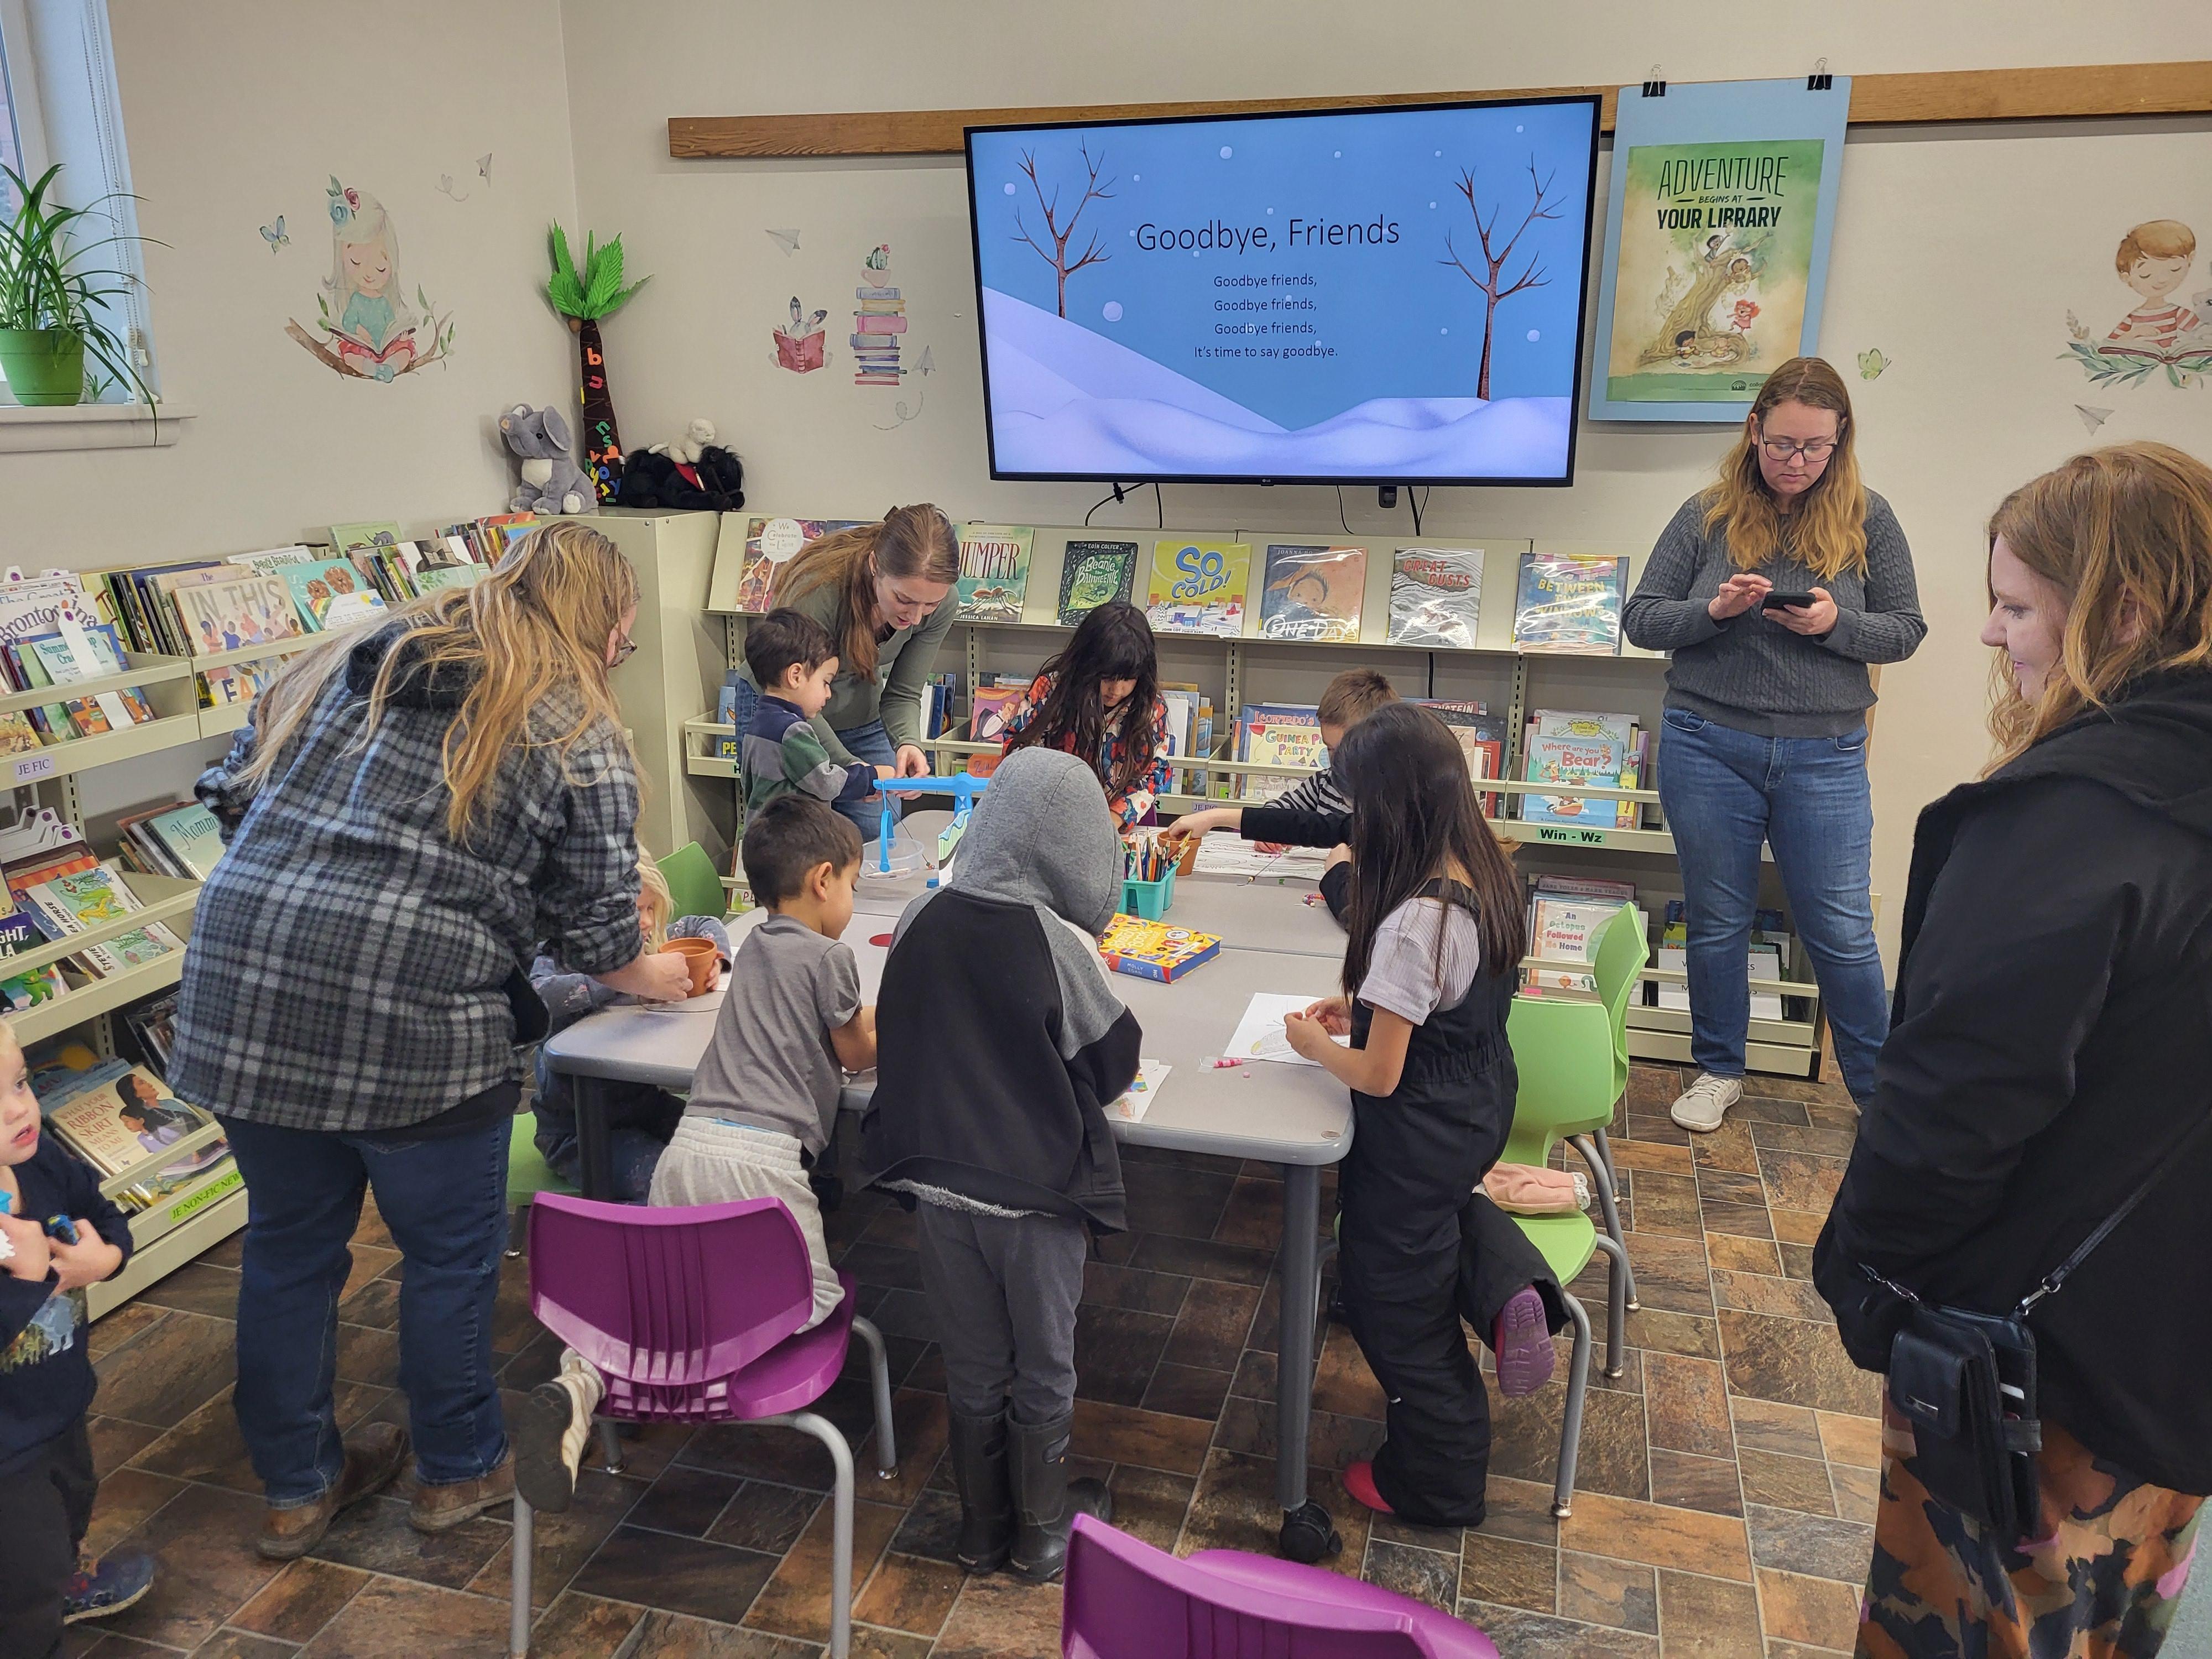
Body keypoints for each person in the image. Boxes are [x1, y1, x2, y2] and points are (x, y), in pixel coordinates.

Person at [170, 523, 686, 1559]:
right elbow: (599, 937)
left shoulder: (347, 659)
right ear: (603, 628)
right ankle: (458, 1471)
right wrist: (652, 973)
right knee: (447, 1262)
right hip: (420, 1021)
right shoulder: (573, 726)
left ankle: (295, 1488)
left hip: (244, 983)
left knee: (286, 1251)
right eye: (623, 645)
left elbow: (229, 797)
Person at [1814, 441, 2212, 1659]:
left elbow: (1951, 1102)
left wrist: (1860, 1282)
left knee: (1977, 1624)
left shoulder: (2068, 821)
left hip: (2031, 1384)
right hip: (2170, 1367)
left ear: (2121, 612)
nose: (1991, 637)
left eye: (2015, 606)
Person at [517, 797, 876, 1516]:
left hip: (690, 1146)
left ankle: (583, 1379)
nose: (854, 902)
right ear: (825, 880)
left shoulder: (755, 948)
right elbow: (857, 1053)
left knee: (666, 1278)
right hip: (767, 1161)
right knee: (805, 1301)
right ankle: (709, 1357)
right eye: (856, 886)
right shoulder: (831, 956)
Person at [1621, 354, 1925, 1130]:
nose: (1797, 462)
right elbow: (1644, 617)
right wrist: (1713, 613)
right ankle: (1718, 1069)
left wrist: (1834, 626)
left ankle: (1880, 1096)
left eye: (1815, 447)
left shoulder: (1871, 517)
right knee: (1717, 920)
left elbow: (1906, 630)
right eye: (1782, 444)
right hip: (1707, 742)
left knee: (1842, 931)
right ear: (1754, 430)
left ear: (1840, 441)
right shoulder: (1706, 515)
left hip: (1823, 754)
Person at [859, 749, 1139, 1582]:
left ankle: (980, 1529)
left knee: (974, 1359)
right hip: (1036, 1197)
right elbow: (1114, 1061)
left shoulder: (919, 915)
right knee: (1045, 1364)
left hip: (939, 1184)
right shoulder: (1057, 942)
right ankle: (1045, 1532)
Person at [1278, 703, 1560, 1526]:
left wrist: (1310, 1045)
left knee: (1392, 1299)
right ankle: (1509, 1289)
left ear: (1390, 807)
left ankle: (1436, 1483)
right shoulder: (1483, 867)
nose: (1352, 821)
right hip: (1474, 1104)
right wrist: (1363, 1002)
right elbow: (1441, 1000)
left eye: (1359, 804)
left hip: (1418, 1123)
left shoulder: (1414, 922)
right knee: (1434, 1221)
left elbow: (1375, 1073)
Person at [0, 1019, 155, 1656]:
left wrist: (106, 1259)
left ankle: (60, 1579)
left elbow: (102, 1213)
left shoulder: (39, 1161)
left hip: (60, 1403)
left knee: (70, 1507)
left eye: (18, 1081)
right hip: (5, 1455)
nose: (19, 1107)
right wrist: (29, 1280)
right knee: (24, 1588)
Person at [733, 507, 961, 837]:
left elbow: (903, 694)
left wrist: (908, 744)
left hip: (859, 715)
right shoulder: (817, 592)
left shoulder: (943, 602)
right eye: (904, 599)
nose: (915, 617)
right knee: (791, 837)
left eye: (930, 606)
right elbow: (794, 699)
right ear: (875, 567)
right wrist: (854, 771)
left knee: (874, 831)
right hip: (784, 710)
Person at [530, 852, 731, 1201]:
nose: (647, 922)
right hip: (580, 1132)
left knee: (728, 1150)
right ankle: (636, 1247)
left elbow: (701, 924)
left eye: (651, 909)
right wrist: (634, 979)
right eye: (634, 912)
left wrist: (719, 958)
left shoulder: (645, 943)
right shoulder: (558, 956)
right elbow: (540, 994)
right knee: (670, 1184)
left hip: (644, 1108)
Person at [1164, 666, 1402, 920]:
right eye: (1330, 751)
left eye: (1343, 751)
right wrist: (1214, 818)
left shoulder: (1395, 814)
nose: (1336, 762)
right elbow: (1307, 825)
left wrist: (1338, 871)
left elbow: (1358, 915)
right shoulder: (1333, 786)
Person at [999, 601, 1171, 831]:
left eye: (1128, 679)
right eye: (1108, 677)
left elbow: (1155, 772)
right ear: (1087, 664)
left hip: (1118, 825)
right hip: (1051, 819)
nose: (1117, 690)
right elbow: (1018, 751)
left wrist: (1112, 820)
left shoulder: (1150, 707)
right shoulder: (1052, 690)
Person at [739, 607, 895, 816]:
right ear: (796, 676)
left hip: (764, 833)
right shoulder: (793, 731)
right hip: (789, 838)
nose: (829, 694)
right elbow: (826, 782)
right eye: (825, 682)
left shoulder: (759, 723)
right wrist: (870, 778)